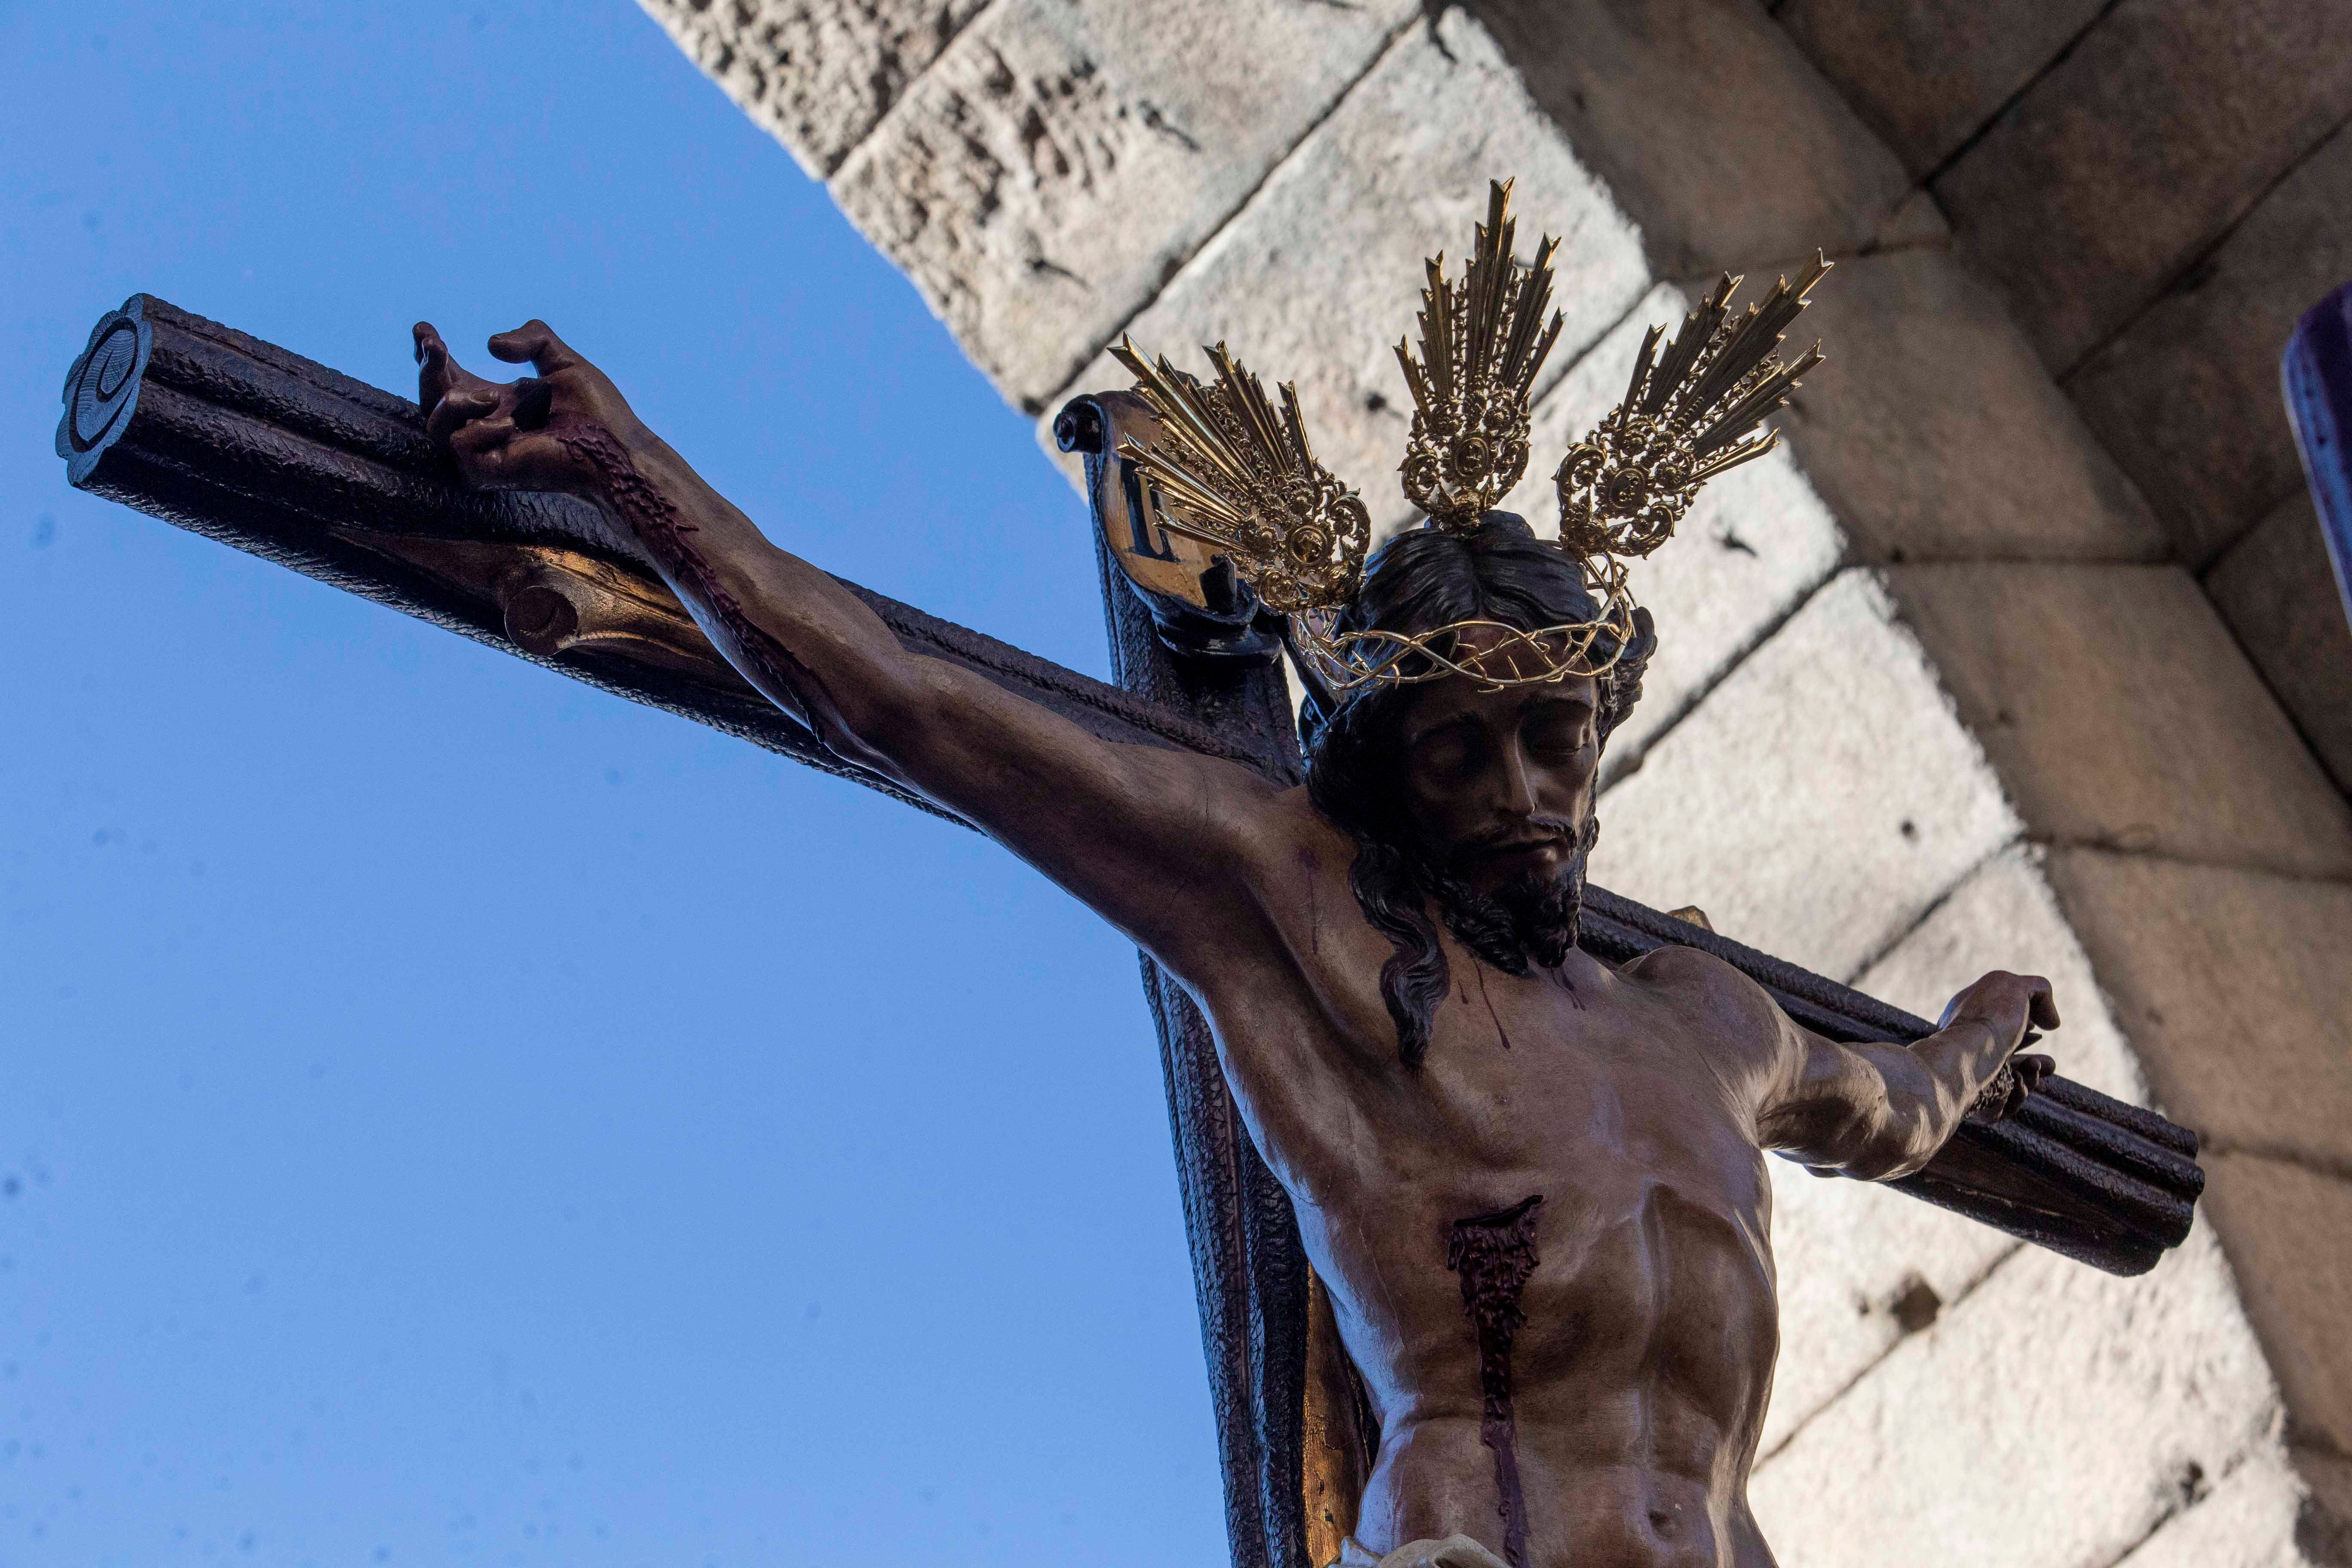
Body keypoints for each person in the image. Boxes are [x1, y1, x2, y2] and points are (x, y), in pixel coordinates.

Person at [410, 193, 2055, 1568]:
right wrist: (626, 478)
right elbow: (905, 701)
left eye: (1553, 739)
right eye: (1458, 752)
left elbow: (1897, 1104)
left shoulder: (1717, 1022)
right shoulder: (1299, 919)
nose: (1523, 799)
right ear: (1381, 771)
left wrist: (1987, 1026)